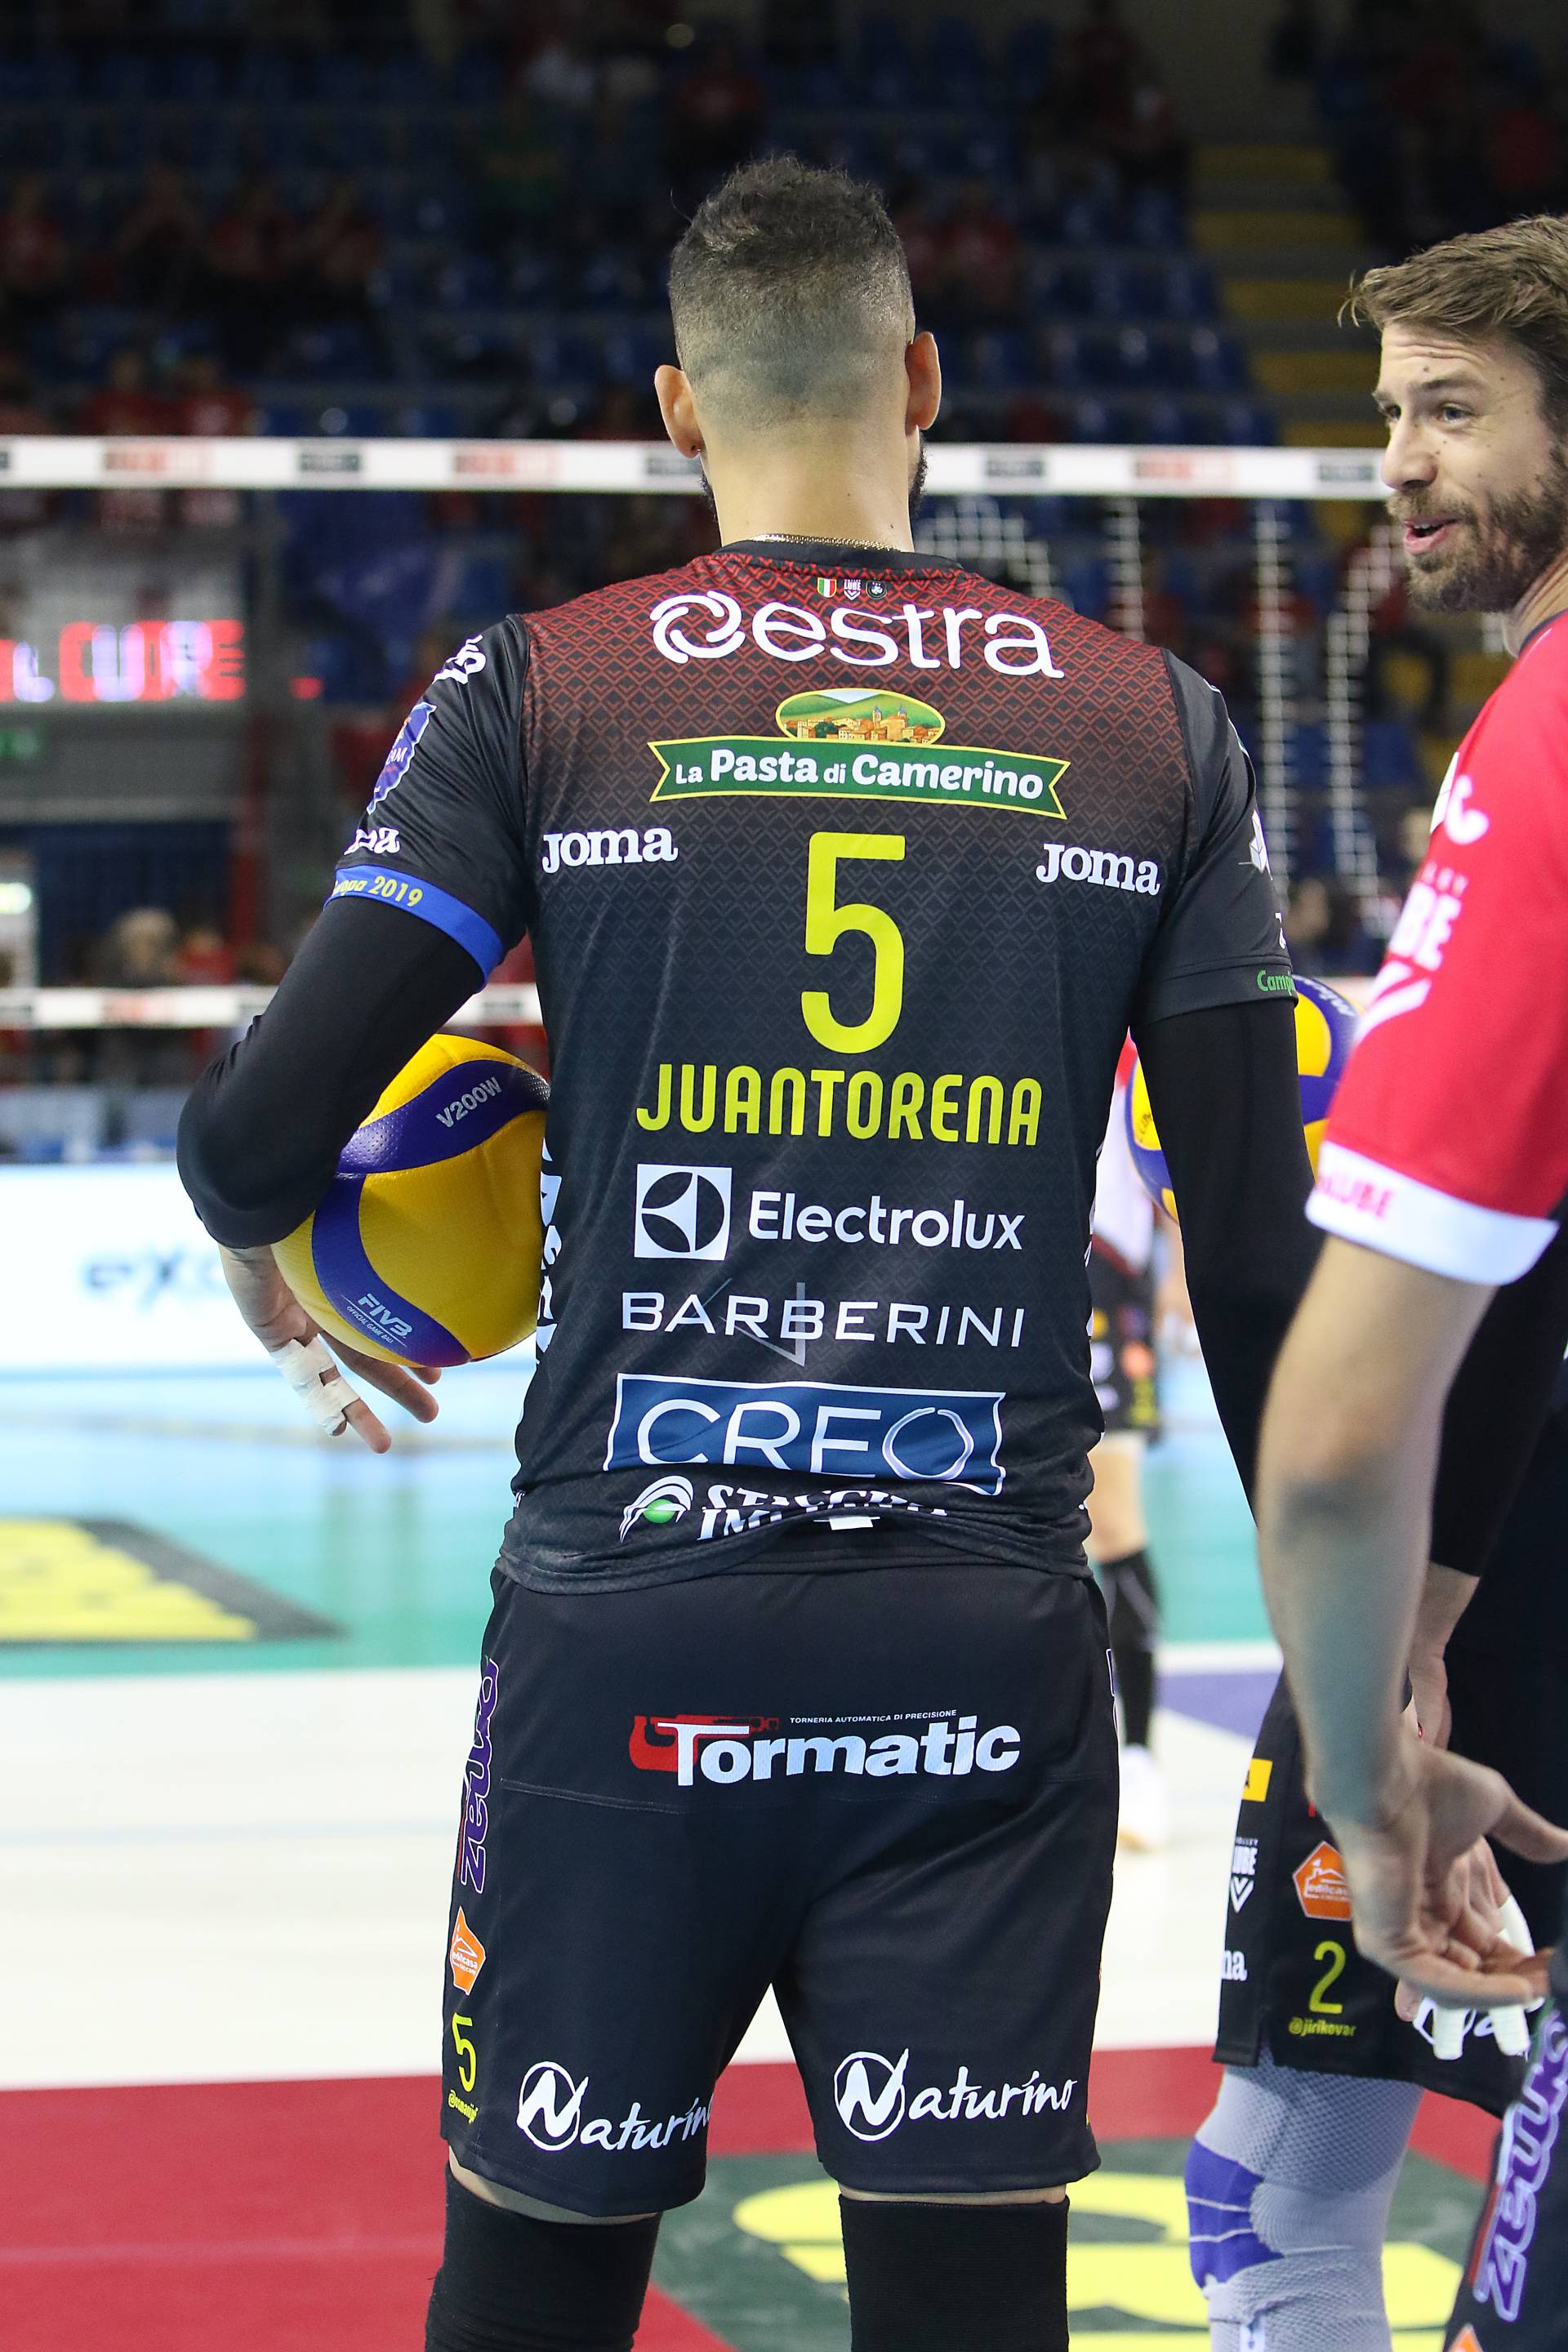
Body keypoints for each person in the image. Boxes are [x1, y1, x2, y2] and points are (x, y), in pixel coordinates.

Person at [178, 158, 1320, 2352]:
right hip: (985, 1647)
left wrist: (256, 1236)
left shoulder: (542, 690)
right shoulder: (1154, 725)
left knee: (530, 2290)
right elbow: (1263, 1277)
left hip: (629, 1638)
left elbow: (257, 1125)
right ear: (925, 382)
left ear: (677, 409)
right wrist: (1359, 1687)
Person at [1249, 214, 1568, 2352]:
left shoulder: (1543, 750)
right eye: (1388, 411)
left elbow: (1343, 1428)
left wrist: (1368, 1763)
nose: (1399, 462)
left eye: (1453, 409)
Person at [1088, 1040, 1170, 1850]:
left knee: (1113, 1524)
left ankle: (1138, 1759)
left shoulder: (1128, 1041)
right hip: (1002, 1269)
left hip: (1104, 1290)